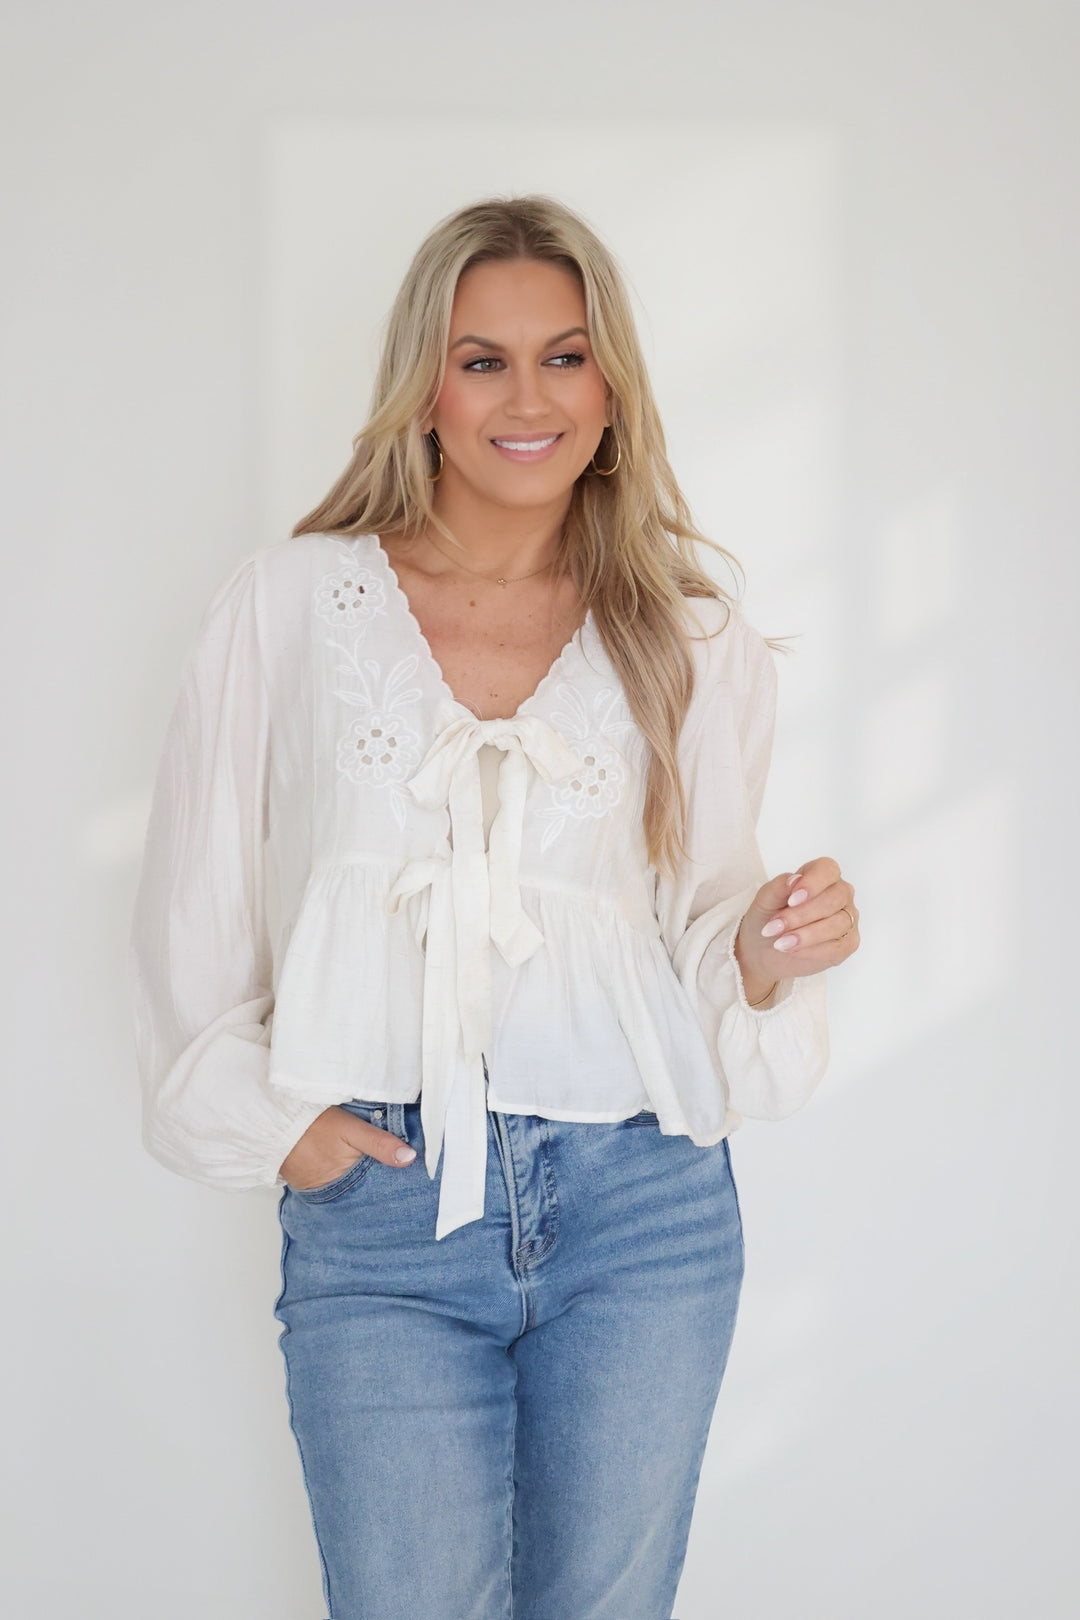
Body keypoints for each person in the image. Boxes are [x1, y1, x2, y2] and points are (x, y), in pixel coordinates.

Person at [130, 194, 860, 1620]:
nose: (529, 399)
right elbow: (192, 905)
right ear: (426, 391)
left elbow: (704, 921)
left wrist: (768, 946)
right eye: (483, 361)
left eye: (565, 357)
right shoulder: (290, 605)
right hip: (385, 1207)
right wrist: (282, 1129)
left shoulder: (690, 634)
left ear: (611, 387)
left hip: (645, 1209)